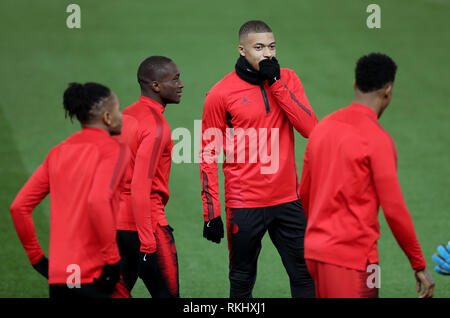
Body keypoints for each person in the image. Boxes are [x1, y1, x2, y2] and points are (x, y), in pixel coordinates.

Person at [299, 53, 435, 298]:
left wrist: (320, 235)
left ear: (355, 85)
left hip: (315, 255)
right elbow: (394, 210)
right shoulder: (378, 139)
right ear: (388, 90)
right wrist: (418, 263)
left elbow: (304, 193)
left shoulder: (322, 128)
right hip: (354, 260)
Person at [199, 20, 317, 298]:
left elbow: (310, 129)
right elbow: (208, 154)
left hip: (288, 200)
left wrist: (276, 83)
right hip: (244, 204)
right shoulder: (220, 94)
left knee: (306, 274)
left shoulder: (288, 79)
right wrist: (211, 213)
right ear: (242, 50)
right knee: (241, 280)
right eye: (259, 47)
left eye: (272, 47)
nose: (268, 54)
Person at [10, 82, 130, 298]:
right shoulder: (115, 150)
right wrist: (112, 261)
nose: (121, 115)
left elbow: (19, 207)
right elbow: (98, 201)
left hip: (60, 278)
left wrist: (37, 259)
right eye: (117, 109)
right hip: (95, 275)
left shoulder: (58, 152)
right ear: (107, 117)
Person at [116, 56, 183, 298]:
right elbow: (140, 187)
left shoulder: (125, 115)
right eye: (175, 79)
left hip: (115, 227)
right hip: (148, 226)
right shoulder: (157, 127)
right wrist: (147, 243)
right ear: (156, 86)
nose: (181, 84)